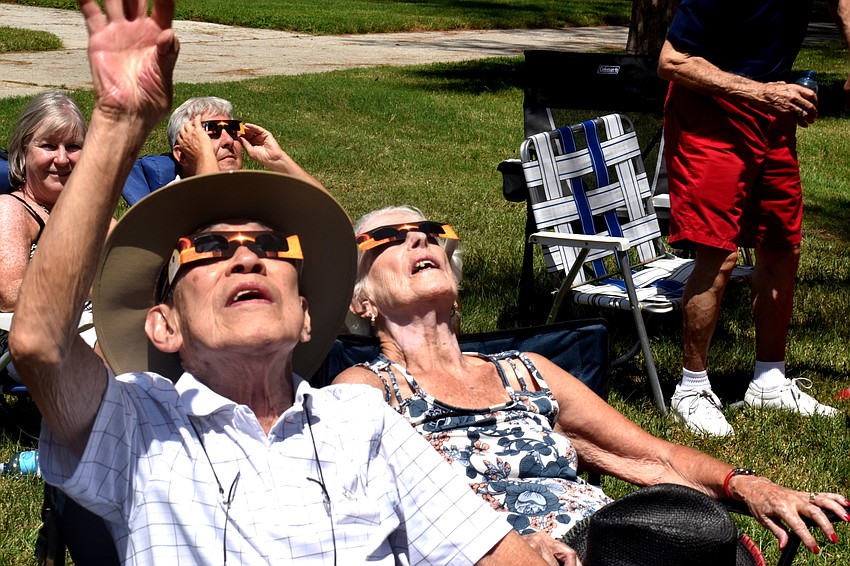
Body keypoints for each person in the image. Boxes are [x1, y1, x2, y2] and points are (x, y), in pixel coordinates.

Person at [8, 2, 552, 565]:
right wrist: (117, 123)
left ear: (307, 315)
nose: (247, 257)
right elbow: (39, 341)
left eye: (273, 246)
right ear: (164, 324)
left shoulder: (362, 422)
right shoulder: (139, 425)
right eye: (210, 248)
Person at [333, 205, 849, 558]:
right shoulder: (366, 389)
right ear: (361, 301)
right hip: (493, 554)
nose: (419, 238)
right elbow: (357, 517)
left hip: (613, 539)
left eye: (430, 231)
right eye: (389, 238)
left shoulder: (527, 371)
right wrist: (505, 550)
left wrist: (749, 485)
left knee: (685, 533)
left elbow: (653, 458)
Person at [657, 0, 850, 436]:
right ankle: (691, 389)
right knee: (718, 252)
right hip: (711, 115)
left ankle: (769, 381)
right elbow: (671, 61)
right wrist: (760, 92)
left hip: (772, 114)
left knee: (783, 245)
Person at [0, 91, 85, 312]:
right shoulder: (11, 209)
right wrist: (95, 285)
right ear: (23, 151)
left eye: (73, 147)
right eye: (48, 146)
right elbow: (10, 294)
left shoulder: (85, 211)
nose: (62, 159)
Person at [168, 95, 321, 184]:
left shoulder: (256, 190)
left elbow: (327, 212)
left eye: (233, 130)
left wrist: (278, 160)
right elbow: (216, 214)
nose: (228, 140)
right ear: (182, 155)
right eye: (211, 133)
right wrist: (205, 156)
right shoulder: (169, 200)